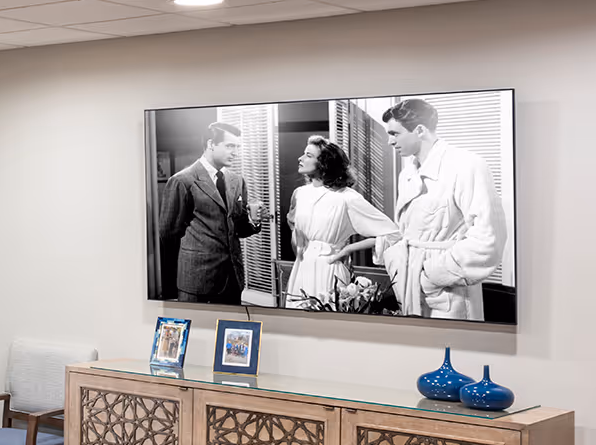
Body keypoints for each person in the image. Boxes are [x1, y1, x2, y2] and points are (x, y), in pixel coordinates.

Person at [381, 97, 507, 320]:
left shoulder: (466, 165)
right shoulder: (407, 174)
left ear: (419, 130)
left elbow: (488, 240)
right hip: (409, 283)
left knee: (450, 351)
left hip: (448, 291)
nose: (390, 141)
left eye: (395, 134)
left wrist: (431, 276)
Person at [158, 121, 268, 305]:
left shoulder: (236, 181)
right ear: (211, 144)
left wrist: (254, 221)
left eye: (238, 147)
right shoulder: (182, 181)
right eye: (230, 146)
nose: (235, 152)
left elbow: (239, 228)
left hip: (232, 279)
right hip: (197, 281)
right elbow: (168, 234)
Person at [286, 135, 399, 310]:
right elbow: (296, 230)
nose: (300, 159)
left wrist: (347, 249)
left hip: (330, 266)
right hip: (302, 267)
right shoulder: (300, 193)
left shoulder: (346, 198)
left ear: (324, 163)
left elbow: (392, 233)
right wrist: (298, 240)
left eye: (308, 155)